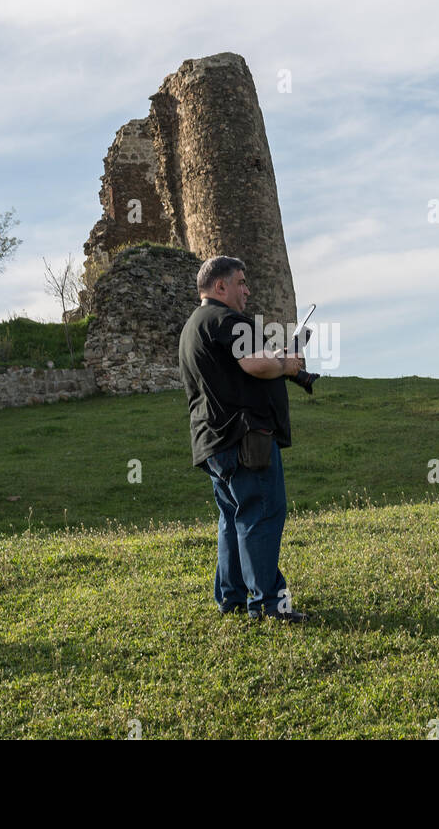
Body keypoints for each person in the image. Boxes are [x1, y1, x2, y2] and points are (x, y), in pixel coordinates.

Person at [178, 255, 307, 622]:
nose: (247, 290)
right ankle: (268, 605)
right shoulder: (228, 319)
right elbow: (254, 364)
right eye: (241, 282)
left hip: (212, 441)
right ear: (220, 286)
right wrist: (287, 364)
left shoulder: (194, 326)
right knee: (262, 514)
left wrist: (276, 360)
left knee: (233, 517)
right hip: (244, 438)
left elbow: (240, 367)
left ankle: (231, 597)